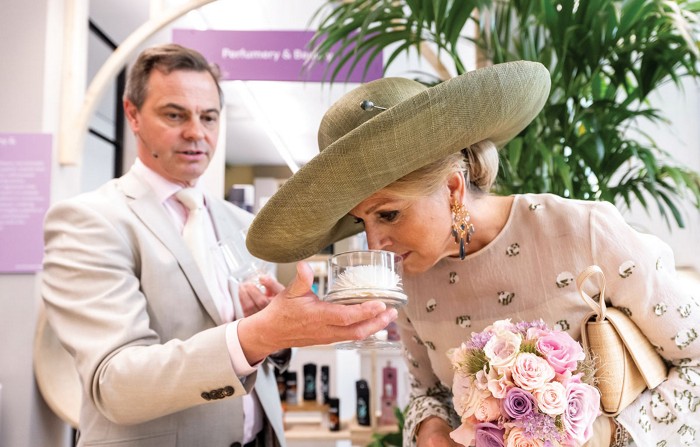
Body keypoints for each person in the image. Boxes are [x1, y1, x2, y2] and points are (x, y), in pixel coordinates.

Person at [246, 61, 700, 446]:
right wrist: (430, 429)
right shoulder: (409, 279)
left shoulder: (583, 231)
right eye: (360, 222)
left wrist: (605, 437)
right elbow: (427, 393)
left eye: (387, 215)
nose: (373, 244)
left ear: (452, 188)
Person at [40, 43, 397, 447]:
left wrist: (275, 336)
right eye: (175, 115)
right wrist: (255, 333)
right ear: (133, 114)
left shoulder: (242, 224)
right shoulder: (90, 221)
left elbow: (254, 353)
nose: (196, 132)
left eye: (208, 117)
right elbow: (115, 382)